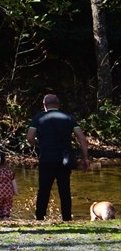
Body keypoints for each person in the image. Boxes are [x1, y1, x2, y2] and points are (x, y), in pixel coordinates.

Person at [26, 93, 91, 222]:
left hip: (46, 158)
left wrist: (38, 144)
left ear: (44, 105)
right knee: (65, 189)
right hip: (64, 158)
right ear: (58, 104)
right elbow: (82, 138)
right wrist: (85, 158)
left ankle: (40, 218)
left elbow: (29, 137)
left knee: (44, 189)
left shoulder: (38, 118)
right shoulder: (68, 117)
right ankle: (66, 218)